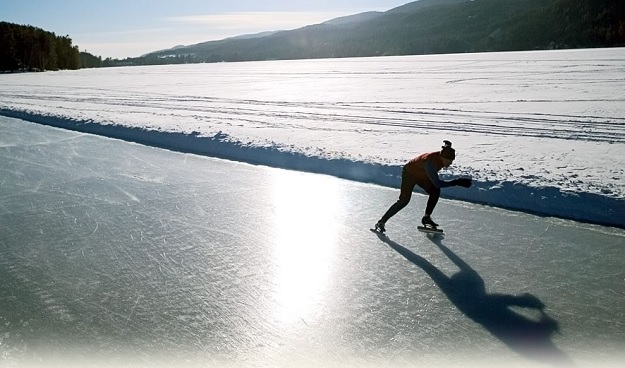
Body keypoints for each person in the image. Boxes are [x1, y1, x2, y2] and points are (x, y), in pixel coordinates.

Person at [374, 140, 472, 233]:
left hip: (422, 175)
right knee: (404, 201)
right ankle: (381, 222)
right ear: (443, 158)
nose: (451, 163)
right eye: (450, 161)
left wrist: (448, 145)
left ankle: (426, 218)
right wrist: (456, 182)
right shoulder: (429, 163)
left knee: (435, 191)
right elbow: (437, 183)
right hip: (409, 173)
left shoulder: (443, 155)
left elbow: (446, 149)